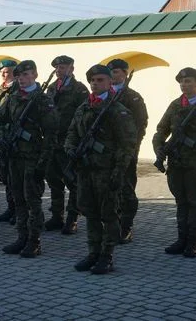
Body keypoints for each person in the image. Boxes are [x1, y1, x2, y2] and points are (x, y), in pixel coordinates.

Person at [65, 64, 137, 274]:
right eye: (93, 81)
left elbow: (127, 144)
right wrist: (70, 149)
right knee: (90, 212)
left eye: (100, 80)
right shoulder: (84, 107)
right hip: (86, 170)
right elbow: (72, 132)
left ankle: (107, 255)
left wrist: (118, 172)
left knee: (108, 214)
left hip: (107, 171)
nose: (96, 84)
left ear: (108, 82)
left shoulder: (118, 110)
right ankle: (93, 252)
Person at [152, 67, 196, 258]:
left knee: (194, 203)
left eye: (189, 81)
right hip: (176, 163)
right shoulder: (174, 105)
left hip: (194, 165)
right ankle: (181, 239)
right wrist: (159, 150)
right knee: (181, 202)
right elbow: (161, 130)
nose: (185, 85)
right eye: (182, 82)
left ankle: (193, 242)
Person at [0, 60, 58, 257]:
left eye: (26, 75)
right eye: (19, 76)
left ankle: (34, 241)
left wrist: (43, 162)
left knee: (32, 201)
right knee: (18, 199)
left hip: (32, 158)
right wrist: (2, 136)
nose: (22, 79)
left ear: (35, 76)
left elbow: (51, 134)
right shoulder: (13, 98)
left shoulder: (43, 101)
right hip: (14, 157)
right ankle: (21, 237)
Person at [44, 55, 89, 234]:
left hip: (69, 142)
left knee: (73, 182)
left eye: (62, 67)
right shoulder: (52, 88)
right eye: (57, 67)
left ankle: (72, 218)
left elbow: (84, 117)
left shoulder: (79, 90)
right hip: (53, 142)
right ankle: (57, 217)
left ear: (71, 69)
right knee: (54, 180)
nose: (59, 70)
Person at [107, 58, 148, 243]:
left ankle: (126, 226)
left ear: (124, 73)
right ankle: (112, 223)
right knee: (109, 189)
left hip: (125, 153)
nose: (112, 75)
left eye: (115, 72)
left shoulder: (133, 97)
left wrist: (130, 149)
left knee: (126, 190)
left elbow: (140, 125)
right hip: (105, 154)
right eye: (110, 72)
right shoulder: (104, 96)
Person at [0, 59, 19, 223]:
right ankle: (11, 208)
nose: (4, 73)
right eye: (2, 71)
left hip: (17, 140)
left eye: (8, 71)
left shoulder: (19, 90)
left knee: (17, 177)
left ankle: (19, 210)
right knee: (6, 174)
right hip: (3, 138)